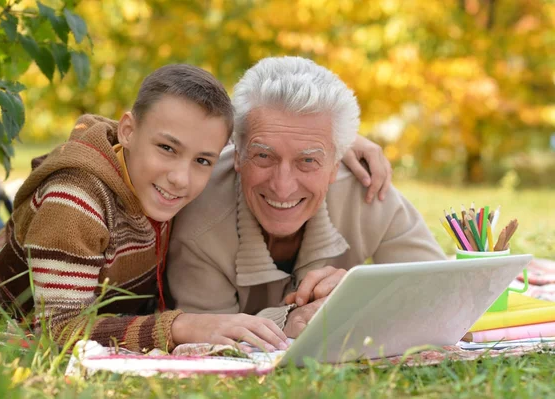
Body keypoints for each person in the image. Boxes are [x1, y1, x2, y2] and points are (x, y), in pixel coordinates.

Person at [0, 63, 392, 353]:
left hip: (100, 286)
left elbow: (258, 134)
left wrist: (338, 142)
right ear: (128, 131)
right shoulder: (74, 203)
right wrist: (181, 326)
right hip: (5, 292)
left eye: (202, 160)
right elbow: (51, 331)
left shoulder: (175, 169)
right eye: (166, 148)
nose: (180, 178)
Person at [166, 56, 447, 340]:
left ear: (335, 166)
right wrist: (290, 320)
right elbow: (214, 342)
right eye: (264, 155)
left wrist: (360, 297)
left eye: (308, 161)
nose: (282, 186)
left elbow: (443, 295)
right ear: (237, 154)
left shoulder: (367, 190)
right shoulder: (200, 216)